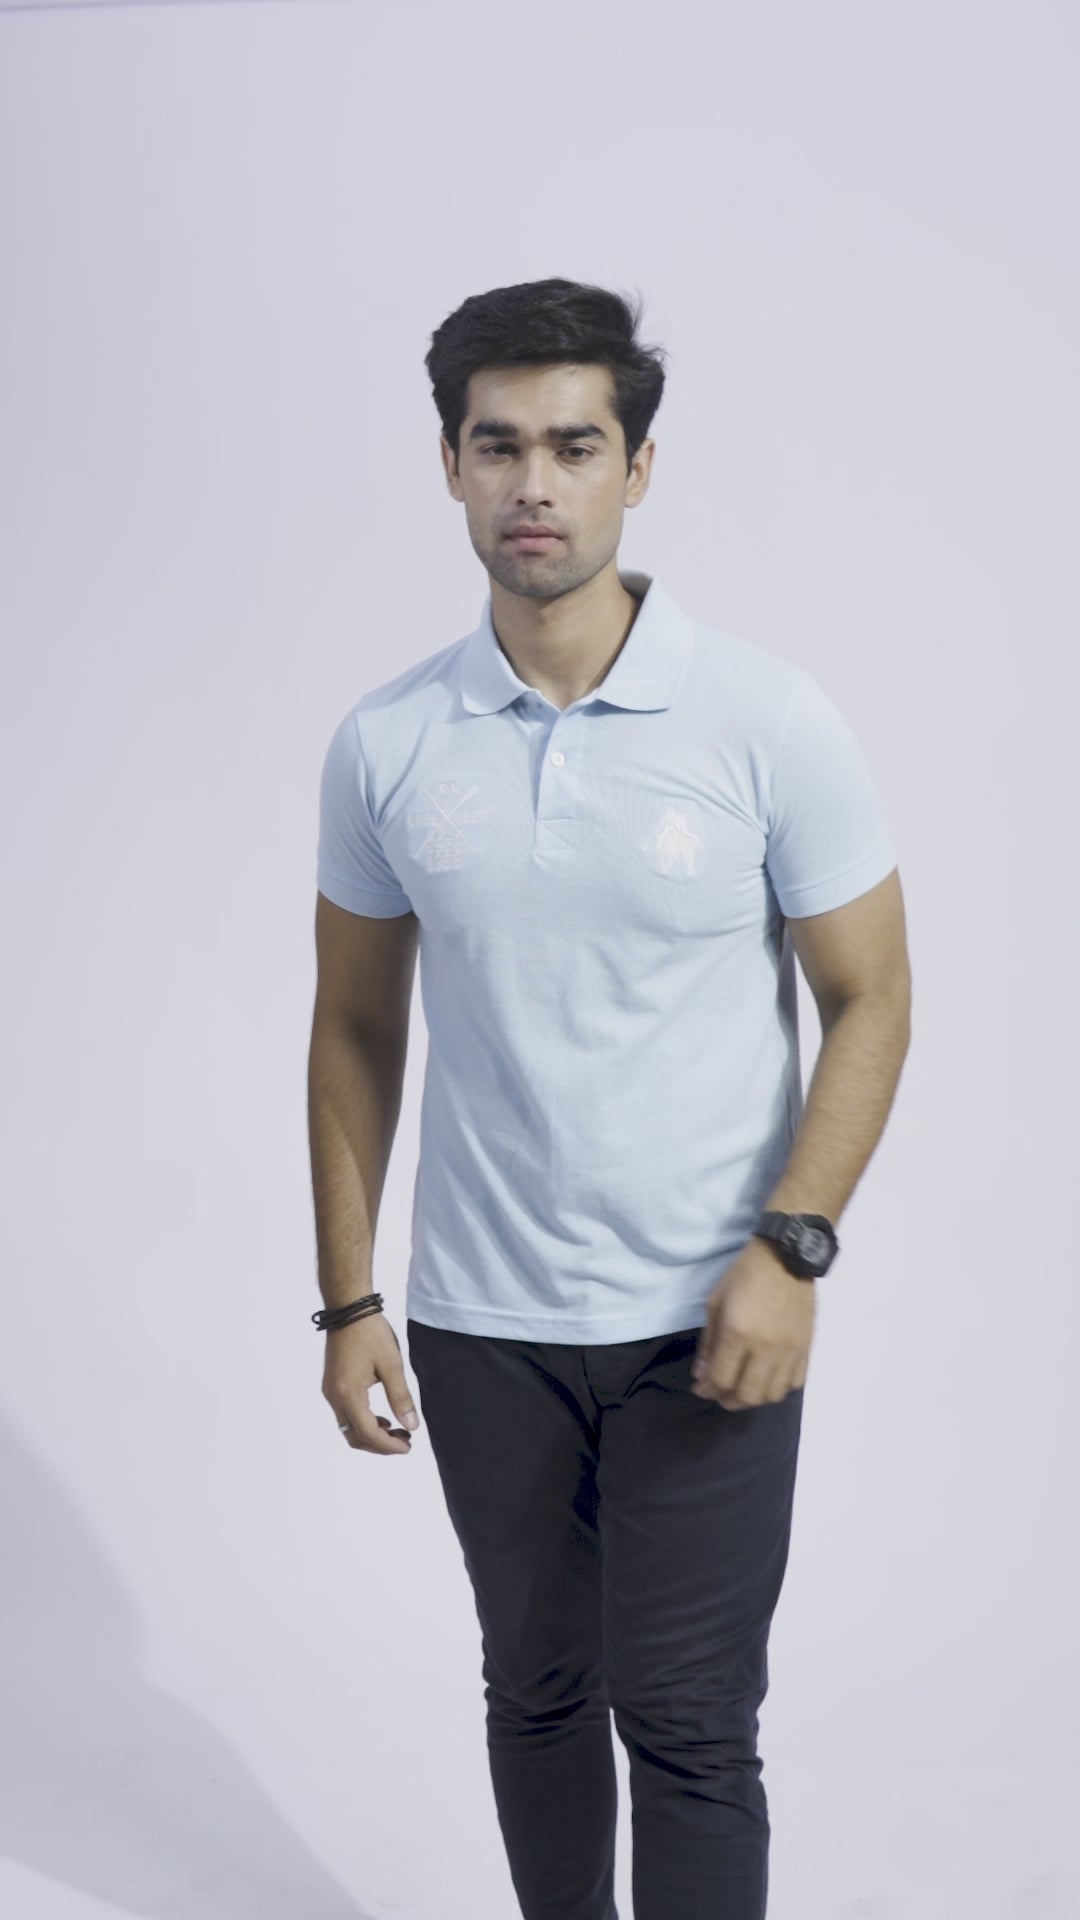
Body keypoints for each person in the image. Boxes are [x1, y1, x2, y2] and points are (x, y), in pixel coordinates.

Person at [307, 276, 912, 1920]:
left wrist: (791, 1249)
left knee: (692, 1723)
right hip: (481, 1324)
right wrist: (349, 1299)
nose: (535, 485)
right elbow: (353, 1026)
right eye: (499, 445)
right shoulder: (388, 741)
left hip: (708, 1315)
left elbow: (872, 994)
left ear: (637, 468)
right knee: (536, 1694)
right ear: (450, 463)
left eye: (574, 446)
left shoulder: (763, 718)